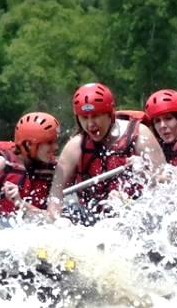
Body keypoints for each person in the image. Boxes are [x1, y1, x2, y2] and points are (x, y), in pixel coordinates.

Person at [47, 82, 166, 220]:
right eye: (85, 118)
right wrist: (59, 222)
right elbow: (55, 198)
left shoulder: (140, 135)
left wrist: (146, 172)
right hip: (92, 221)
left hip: (137, 215)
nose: (90, 124)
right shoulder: (74, 148)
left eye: (96, 116)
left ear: (110, 114)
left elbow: (168, 183)